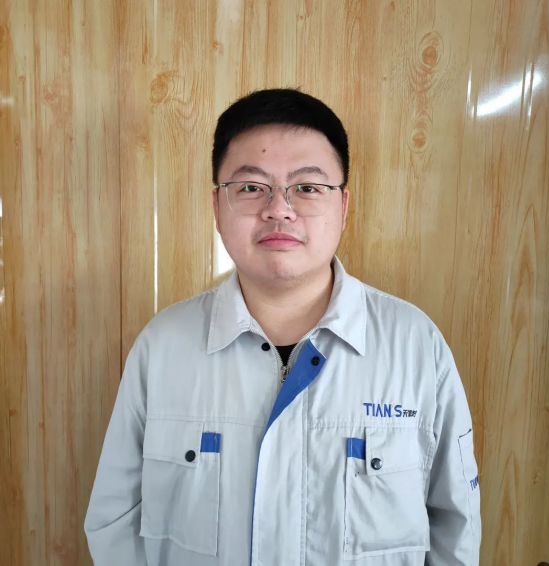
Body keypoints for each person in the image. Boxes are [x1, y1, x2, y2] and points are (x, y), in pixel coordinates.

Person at [84, 88, 481, 565]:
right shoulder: (163, 346)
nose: (279, 209)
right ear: (217, 206)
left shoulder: (416, 346)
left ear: (343, 207)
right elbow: (114, 522)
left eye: (307, 188)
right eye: (251, 187)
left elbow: (455, 528)